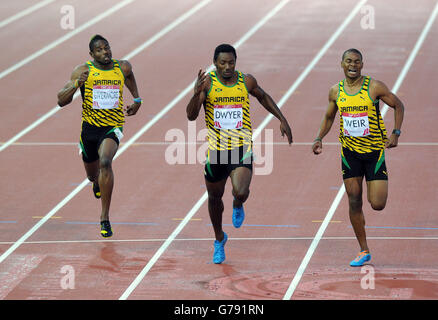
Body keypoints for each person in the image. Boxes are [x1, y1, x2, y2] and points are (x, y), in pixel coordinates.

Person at [186, 44, 293, 264]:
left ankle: (237, 202)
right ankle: (219, 239)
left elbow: (263, 97)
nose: (227, 67)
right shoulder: (208, 83)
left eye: (231, 62)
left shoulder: (246, 81)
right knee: (214, 198)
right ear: (215, 63)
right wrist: (196, 93)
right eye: (222, 63)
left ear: (236, 61)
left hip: (241, 148)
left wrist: (281, 119)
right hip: (216, 151)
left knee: (241, 191)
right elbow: (191, 116)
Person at [312, 48, 405, 267]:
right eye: (348, 61)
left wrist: (396, 133)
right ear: (341, 64)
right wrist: (319, 137)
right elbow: (328, 117)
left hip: (374, 153)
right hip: (350, 154)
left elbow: (398, 105)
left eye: (356, 62)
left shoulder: (374, 87)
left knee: (377, 204)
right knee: (354, 200)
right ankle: (364, 250)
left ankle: (365, 241)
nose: (352, 65)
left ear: (362, 65)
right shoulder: (336, 91)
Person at [57, 35, 142, 238]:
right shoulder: (83, 71)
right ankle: (96, 182)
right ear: (92, 54)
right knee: (92, 174)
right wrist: (77, 83)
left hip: (112, 127)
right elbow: (61, 101)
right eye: (100, 50)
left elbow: (129, 77)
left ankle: (104, 217)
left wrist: (137, 99)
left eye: (107, 48)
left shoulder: (122, 67)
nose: (105, 52)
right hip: (89, 130)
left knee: (106, 161)